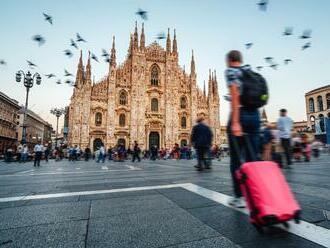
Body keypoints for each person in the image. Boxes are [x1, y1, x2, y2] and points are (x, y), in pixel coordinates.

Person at [225, 50, 263, 208]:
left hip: (240, 115)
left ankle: (240, 197)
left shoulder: (231, 71)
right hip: (255, 116)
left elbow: (234, 94)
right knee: (253, 158)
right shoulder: (250, 71)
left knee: (236, 159)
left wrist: (235, 121)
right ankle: (259, 194)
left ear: (229, 60)